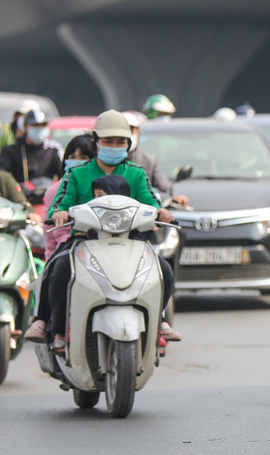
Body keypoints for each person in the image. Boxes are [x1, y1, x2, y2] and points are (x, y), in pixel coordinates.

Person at [23, 110, 180, 349]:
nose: (114, 146)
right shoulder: (77, 174)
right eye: (108, 141)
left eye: (120, 142)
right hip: (84, 242)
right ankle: (51, 327)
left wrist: (160, 212)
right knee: (58, 268)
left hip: (131, 243)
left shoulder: (136, 174)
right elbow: (59, 204)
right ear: (96, 142)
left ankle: (159, 321)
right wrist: (60, 213)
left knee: (164, 271)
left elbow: (151, 202)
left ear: (128, 144)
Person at [42, 133, 97, 259]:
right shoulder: (55, 191)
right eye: (72, 157)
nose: (76, 161)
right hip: (69, 253)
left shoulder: (103, 187)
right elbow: (51, 240)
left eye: (83, 157)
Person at [123, 112, 190, 207]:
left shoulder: (148, 161)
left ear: (138, 132)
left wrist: (174, 197)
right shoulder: (99, 161)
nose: (126, 137)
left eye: (130, 130)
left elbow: (164, 190)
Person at [0, 108, 63, 184]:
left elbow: (63, 175)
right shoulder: (10, 151)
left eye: (43, 125)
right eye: (35, 125)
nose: (39, 128)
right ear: (25, 126)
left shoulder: (52, 151)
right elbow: (2, 176)